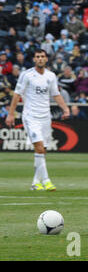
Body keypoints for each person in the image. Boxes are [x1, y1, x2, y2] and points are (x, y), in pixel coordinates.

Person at [5, 49, 70, 191]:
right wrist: (11, 114)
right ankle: (46, 181)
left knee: (42, 150)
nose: (40, 59)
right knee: (40, 148)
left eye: (42, 56)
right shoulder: (27, 75)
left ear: (46, 59)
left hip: (46, 117)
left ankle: (35, 182)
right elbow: (16, 95)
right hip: (30, 116)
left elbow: (56, 95)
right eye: (37, 57)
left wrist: (65, 108)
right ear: (34, 59)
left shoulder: (51, 76)